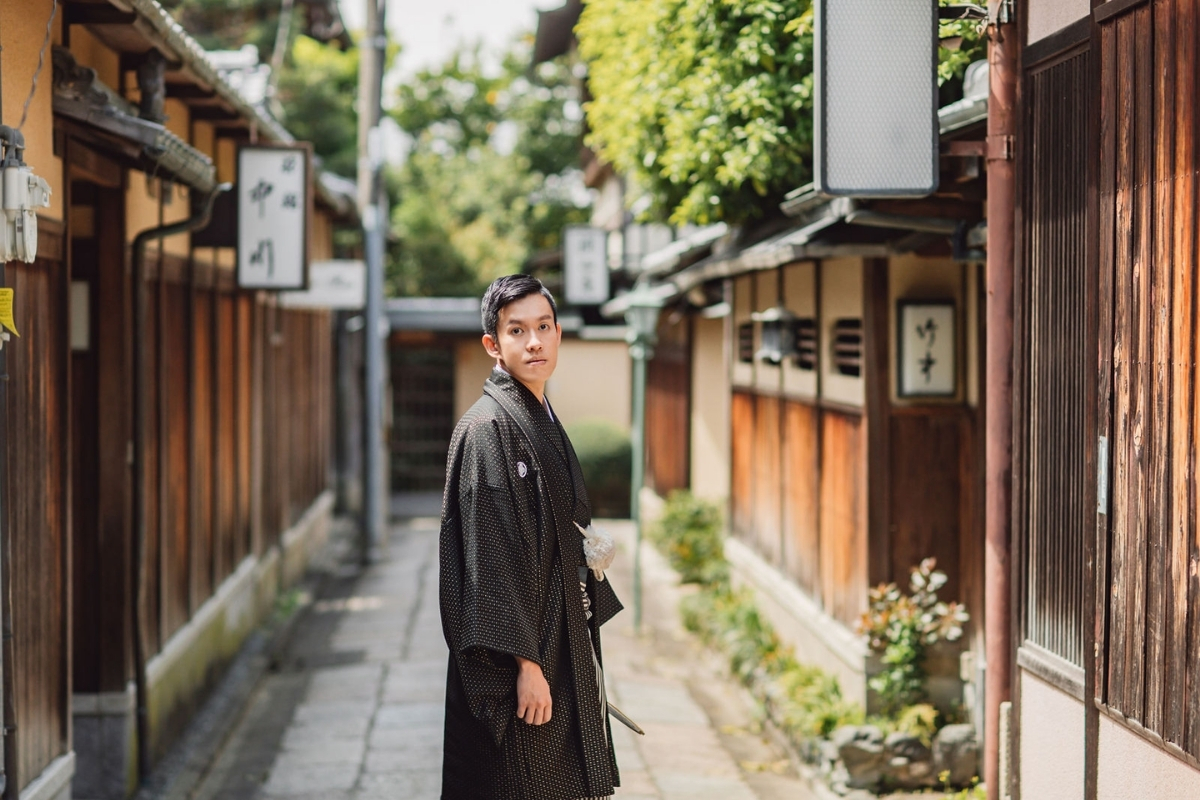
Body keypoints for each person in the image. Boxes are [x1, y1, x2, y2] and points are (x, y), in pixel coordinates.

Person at [439, 275, 622, 800]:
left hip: (557, 640)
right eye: (517, 330)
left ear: (560, 334)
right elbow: (488, 562)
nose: (534, 342)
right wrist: (525, 665)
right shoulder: (485, 430)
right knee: (521, 781)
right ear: (493, 345)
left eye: (544, 327)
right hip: (521, 663)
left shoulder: (539, 415)